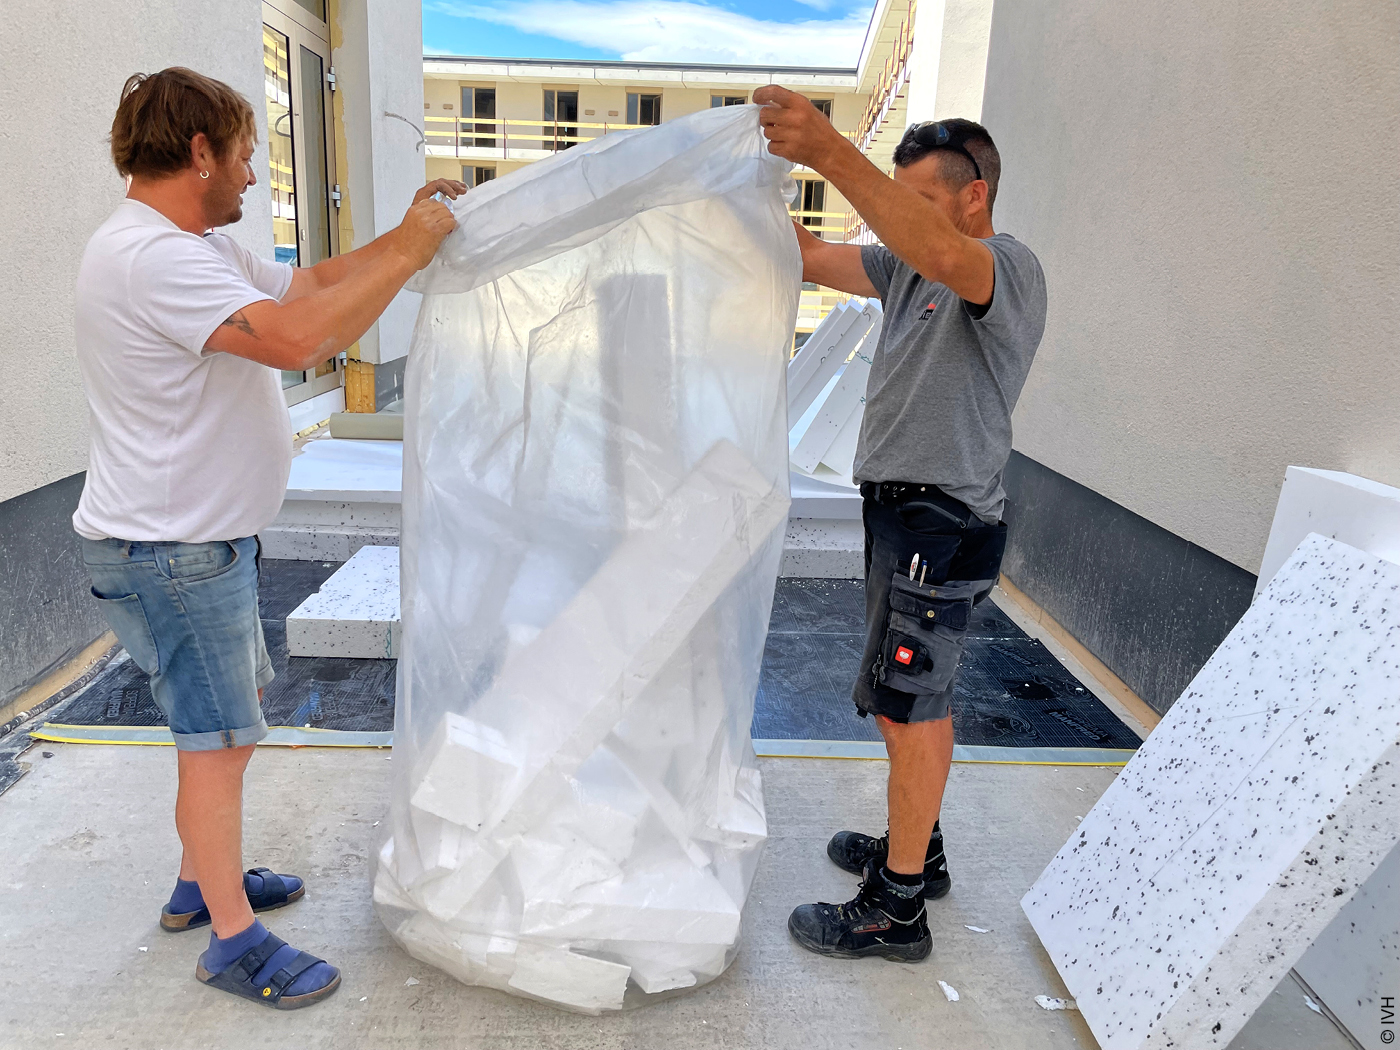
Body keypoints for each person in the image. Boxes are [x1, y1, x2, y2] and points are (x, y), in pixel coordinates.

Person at [73, 67, 462, 1008]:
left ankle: (197, 886)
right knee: (218, 743)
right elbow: (294, 342)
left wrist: (401, 235)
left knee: (220, 731)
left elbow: (315, 283)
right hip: (172, 554)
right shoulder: (153, 259)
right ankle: (235, 944)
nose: (253, 175)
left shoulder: (190, 244)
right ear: (199, 152)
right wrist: (411, 253)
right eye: (245, 154)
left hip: (197, 545)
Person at [753, 85, 1047, 961]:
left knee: (911, 707)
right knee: (907, 700)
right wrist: (744, 190)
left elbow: (939, 251)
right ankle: (924, 849)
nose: (902, 224)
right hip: (900, 520)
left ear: (973, 197)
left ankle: (899, 908)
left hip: (942, 525)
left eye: (921, 203)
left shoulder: (1006, 266)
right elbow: (806, 255)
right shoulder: (905, 268)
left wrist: (831, 152)